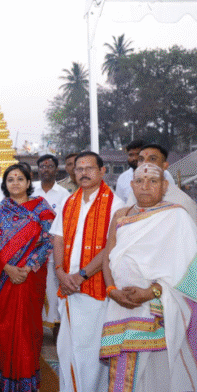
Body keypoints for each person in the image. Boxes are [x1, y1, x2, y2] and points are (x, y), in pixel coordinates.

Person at [100, 164, 197, 391]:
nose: (145, 187)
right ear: (131, 185)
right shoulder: (121, 215)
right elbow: (109, 257)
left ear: (165, 186)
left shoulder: (176, 215)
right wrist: (111, 291)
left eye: (152, 181)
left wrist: (152, 292)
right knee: (122, 374)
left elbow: (193, 272)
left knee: (159, 376)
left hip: (160, 308)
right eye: (139, 181)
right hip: (120, 305)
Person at [51, 151, 124, 392]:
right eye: (79, 169)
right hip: (68, 288)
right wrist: (61, 272)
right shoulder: (68, 201)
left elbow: (110, 247)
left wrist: (81, 275)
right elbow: (58, 239)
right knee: (66, 350)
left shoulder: (116, 204)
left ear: (102, 171)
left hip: (94, 290)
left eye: (89, 168)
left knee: (90, 354)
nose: (83, 173)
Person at [1, 162, 54, 392]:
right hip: (4, 279)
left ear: (28, 182)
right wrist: (7, 268)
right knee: (5, 330)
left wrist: (28, 267)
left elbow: (48, 239)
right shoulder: (2, 210)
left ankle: (26, 382)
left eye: (19, 179)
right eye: (10, 179)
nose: (15, 183)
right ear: (5, 184)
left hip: (30, 278)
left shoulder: (41, 208)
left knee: (26, 331)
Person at [123, 144, 197, 226]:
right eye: (141, 160)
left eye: (152, 159)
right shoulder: (133, 195)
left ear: (164, 166)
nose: (145, 164)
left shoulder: (183, 201)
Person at [35, 153, 68, 333]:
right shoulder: (31, 192)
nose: (45, 169)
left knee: (54, 287)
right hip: (33, 250)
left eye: (49, 166)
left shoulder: (63, 194)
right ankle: (35, 325)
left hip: (54, 248)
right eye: (42, 166)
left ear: (56, 169)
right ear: (38, 170)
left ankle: (56, 326)